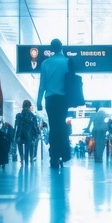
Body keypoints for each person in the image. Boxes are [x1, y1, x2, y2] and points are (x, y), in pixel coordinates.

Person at [36, 39, 70, 169]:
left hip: (50, 99)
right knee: (61, 125)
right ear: (61, 48)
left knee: (53, 126)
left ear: (51, 49)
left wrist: (39, 101)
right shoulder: (67, 62)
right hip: (63, 99)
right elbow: (70, 83)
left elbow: (42, 85)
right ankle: (63, 154)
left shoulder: (45, 63)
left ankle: (54, 156)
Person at [14, 100, 39, 165]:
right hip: (29, 134)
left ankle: (22, 159)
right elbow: (35, 126)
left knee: (20, 145)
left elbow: (16, 125)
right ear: (29, 106)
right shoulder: (33, 116)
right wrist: (37, 133)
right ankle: (29, 159)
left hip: (20, 134)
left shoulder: (18, 115)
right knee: (29, 146)